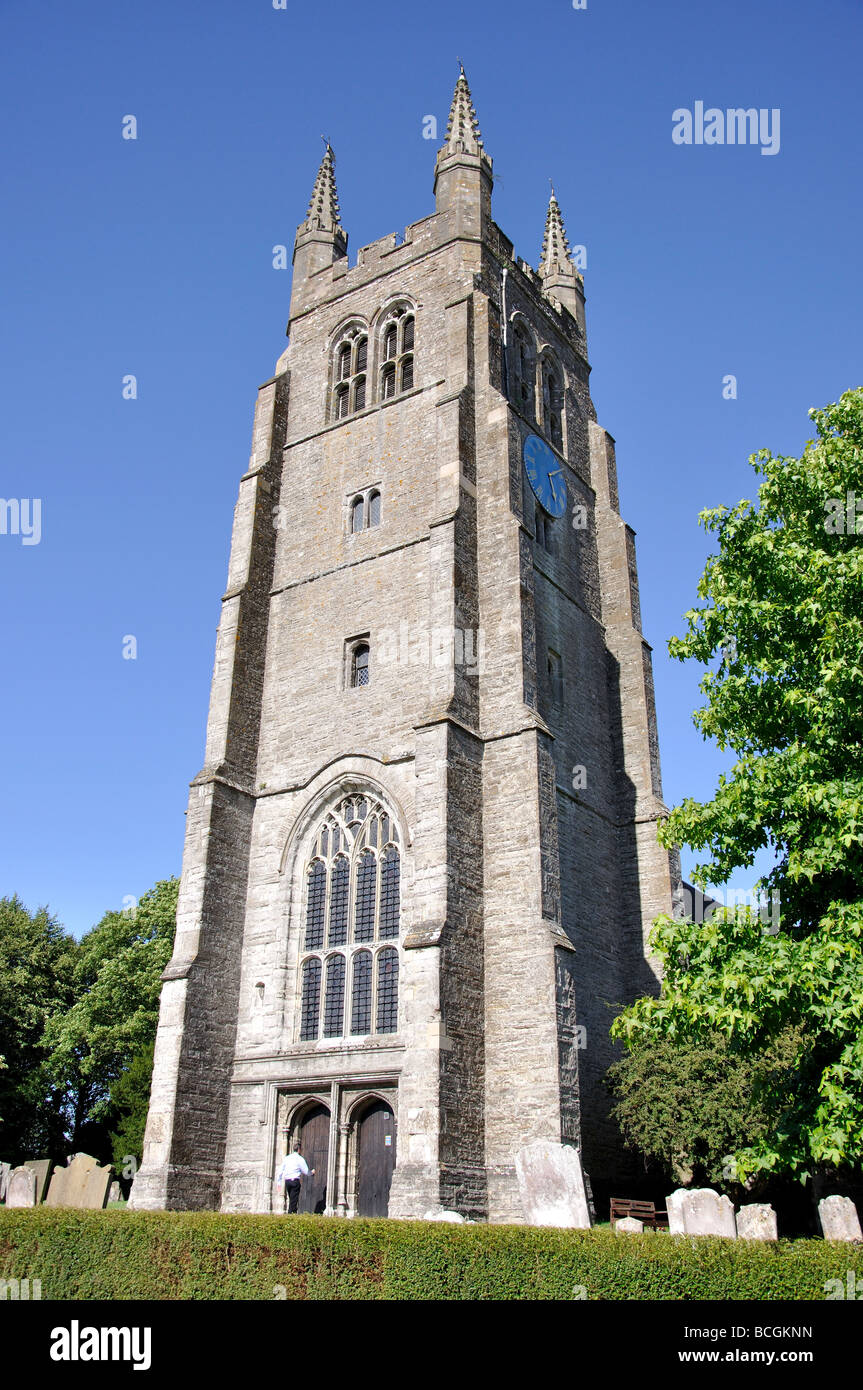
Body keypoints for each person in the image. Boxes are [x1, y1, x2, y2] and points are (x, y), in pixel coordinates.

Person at [277, 1144, 315, 1214]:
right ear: (299, 1150)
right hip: (294, 1181)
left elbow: (280, 1170)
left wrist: (278, 1182)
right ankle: (291, 1215)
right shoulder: (299, 1158)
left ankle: (291, 1213)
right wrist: (312, 1173)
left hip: (287, 1181)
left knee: (291, 1199)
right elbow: (306, 1171)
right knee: (294, 1201)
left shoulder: (287, 1158)